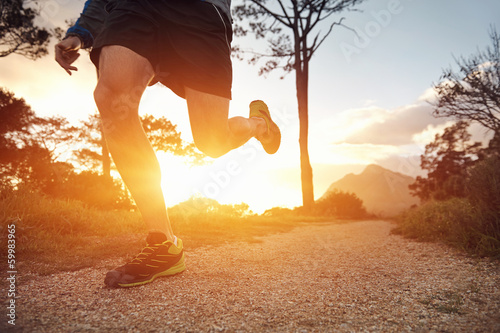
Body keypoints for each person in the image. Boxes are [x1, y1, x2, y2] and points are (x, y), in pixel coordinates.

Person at [55, 0, 281, 288]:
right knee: (113, 100)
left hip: (198, 11)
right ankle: (164, 244)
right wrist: (82, 31)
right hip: (133, 8)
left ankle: (258, 124)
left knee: (212, 140)